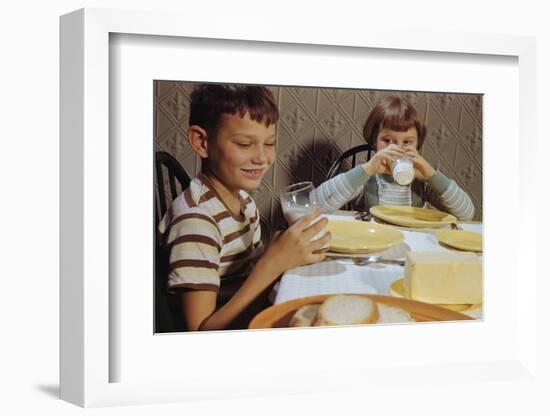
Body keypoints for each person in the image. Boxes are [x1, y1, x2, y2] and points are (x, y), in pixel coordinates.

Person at [158, 84, 330, 331]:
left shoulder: (244, 202)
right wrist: (273, 264)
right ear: (201, 142)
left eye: (269, 143)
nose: (262, 158)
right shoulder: (196, 221)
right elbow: (199, 334)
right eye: (244, 144)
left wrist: (281, 251)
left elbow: (250, 273)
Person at [313, 95, 475, 220]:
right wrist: (366, 170)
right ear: (374, 141)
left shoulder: (422, 181)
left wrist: (432, 176)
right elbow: (316, 206)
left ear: (417, 144)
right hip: (374, 242)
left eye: (407, 142)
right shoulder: (367, 177)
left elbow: (466, 214)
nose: (396, 149)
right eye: (387, 141)